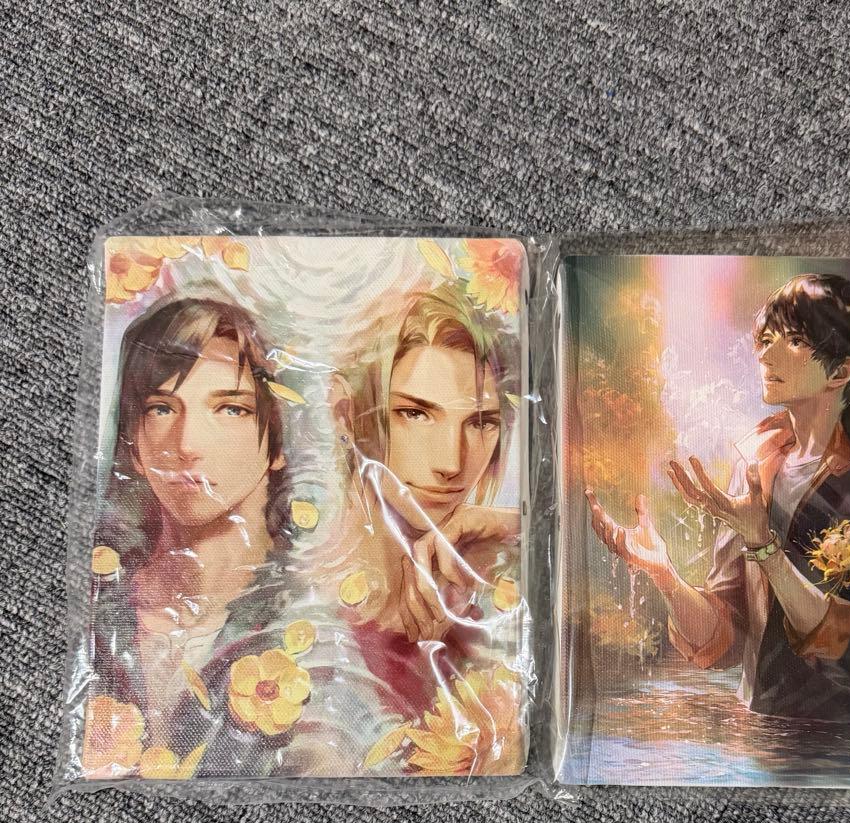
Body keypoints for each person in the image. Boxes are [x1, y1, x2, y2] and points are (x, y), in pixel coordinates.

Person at [586, 274, 850, 723]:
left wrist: (765, 548)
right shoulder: (756, 462)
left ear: (841, 371)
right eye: (765, 339)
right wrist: (665, 575)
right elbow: (728, 639)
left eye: (794, 340)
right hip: (761, 727)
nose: (765, 354)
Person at [83, 296, 396, 780]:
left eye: (230, 409)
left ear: (277, 439)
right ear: (134, 443)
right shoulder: (102, 604)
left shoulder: (308, 631)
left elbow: (347, 770)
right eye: (161, 409)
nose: (187, 444)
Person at [315, 282, 522, 717]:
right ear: (346, 415)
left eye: (480, 423)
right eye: (415, 413)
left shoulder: (498, 592)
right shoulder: (303, 616)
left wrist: (517, 527)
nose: (451, 463)